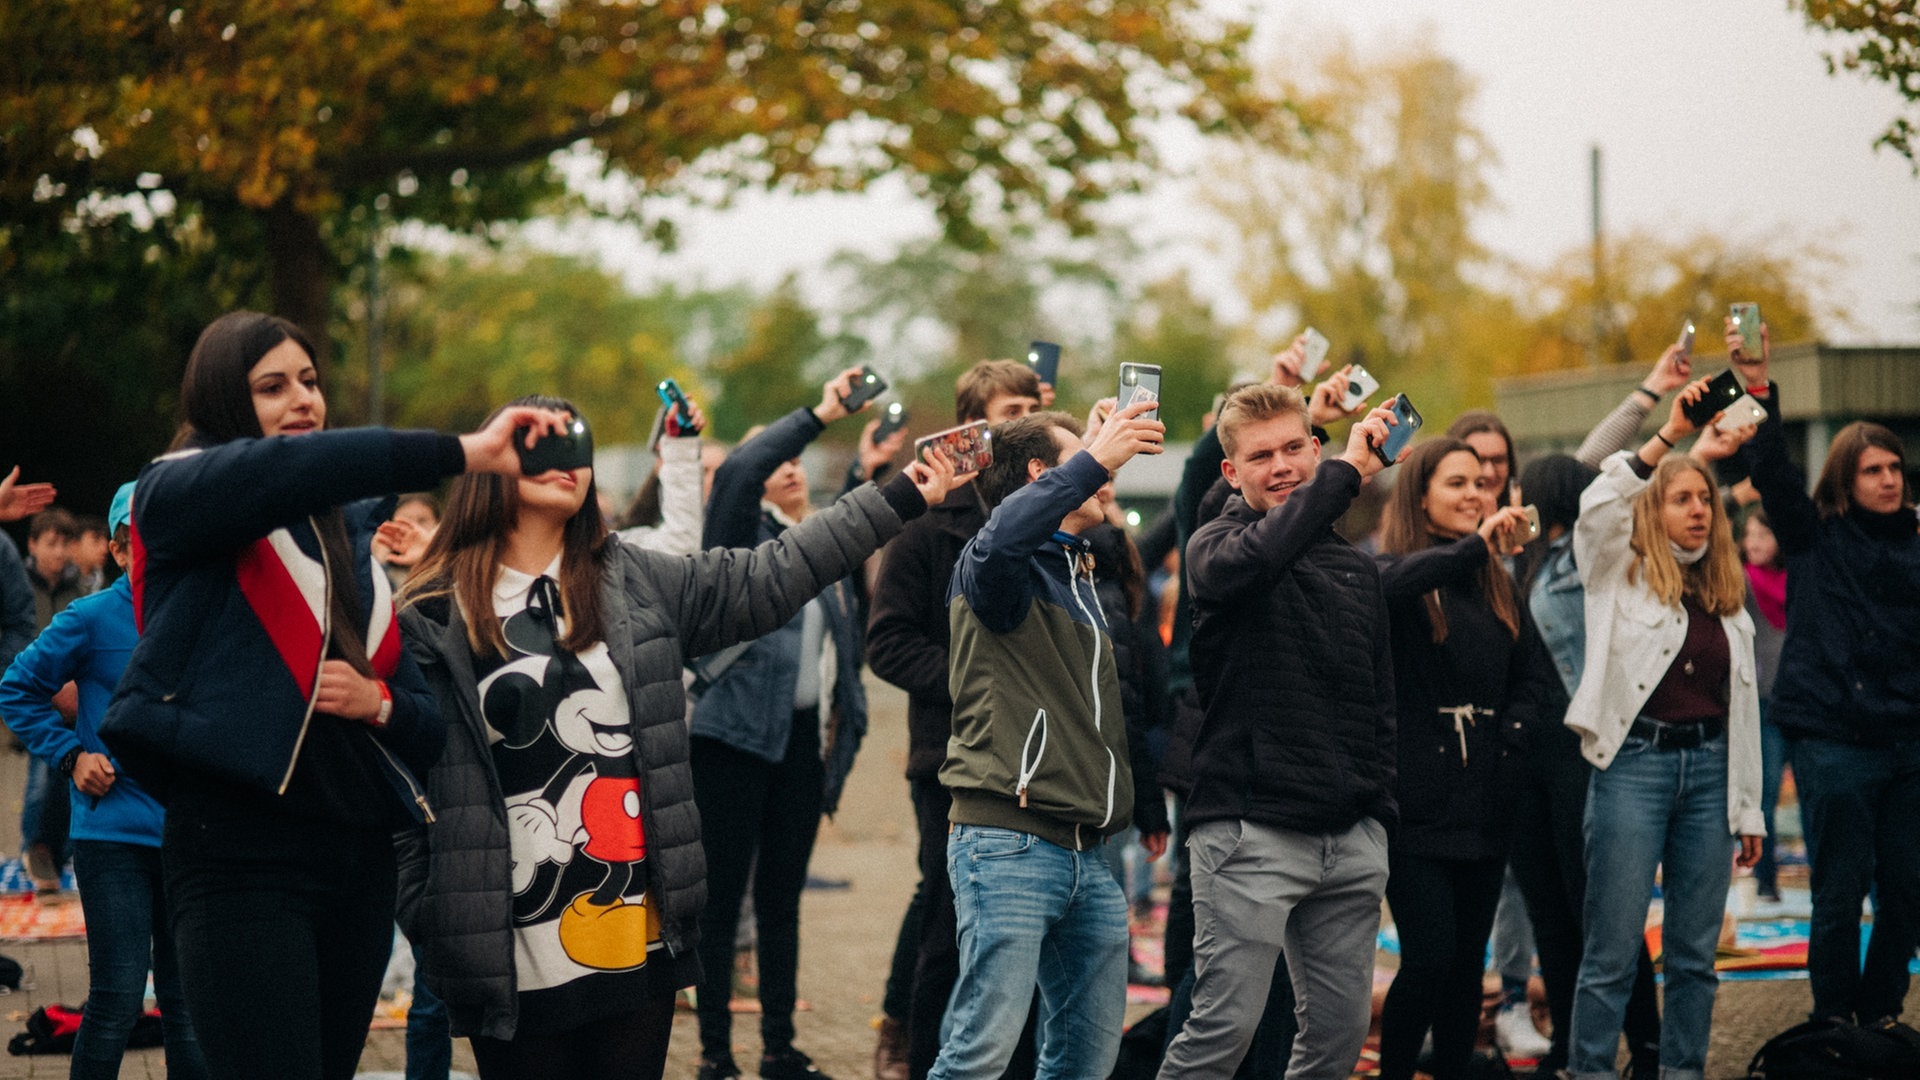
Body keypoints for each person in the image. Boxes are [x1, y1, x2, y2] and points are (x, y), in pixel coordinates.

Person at [392, 393, 954, 1079]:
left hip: (636, 939)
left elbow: (773, 574)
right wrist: (431, 911)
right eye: (539, 443)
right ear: (489, 459)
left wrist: (898, 495)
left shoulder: (633, 579)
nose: (566, 461)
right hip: (510, 956)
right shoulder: (429, 613)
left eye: (579, 445)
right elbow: (398, 780)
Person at [97, 310, 579, 1080]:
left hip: (359, 857)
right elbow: (281, 473)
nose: (303, 400)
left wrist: (376, 703)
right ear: (224, 398)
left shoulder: (347, 543)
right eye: (272, 386)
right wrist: (463, 451)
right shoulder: (178, 495)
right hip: (239, 859)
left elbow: (424, 727)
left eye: (312, 383)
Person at [1160, 384, 1402, 1080]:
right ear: (1231, 473)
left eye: (1295, 447)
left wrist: (1377, 818)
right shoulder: (1216, 547)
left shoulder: (1357, 569)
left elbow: (1379, 702)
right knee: (1221, 1033)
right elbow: (1267, 555)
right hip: (1249, 833)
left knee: (1337, 1038)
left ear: (1315, 447)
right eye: (1260, 456)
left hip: (1349, 836)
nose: (1282, 465)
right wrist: (1345, 476)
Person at [925, 402, 1167, 1080]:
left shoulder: (1085, 572)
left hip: (1092, 855)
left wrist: (1142, 805)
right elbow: (1005, 537)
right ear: (1040, 475)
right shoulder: (997, 566)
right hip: (1010, 842)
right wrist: (1092, 459)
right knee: (978, 1055)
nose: (1108, 473)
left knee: (1085, 1062)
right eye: (1087, 460)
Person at [689, 369, 906, 1080]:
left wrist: (866, 468)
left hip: (799, 752)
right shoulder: (734, 543)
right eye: (774, 460)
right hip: (728, 744)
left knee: (782, 907)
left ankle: (779, 1049)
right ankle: (717, 1056)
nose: (785, 468)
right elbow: (744, 469)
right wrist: (819, 411)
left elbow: (846, 525)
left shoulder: (820, 544)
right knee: (721, 908)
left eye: (793, 460)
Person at [1562, 379, 1764, 1080]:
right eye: (1682, 499)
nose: (1698, 511)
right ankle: (1587, 1070)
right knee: (1612, 951)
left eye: (1704, 499)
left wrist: (1749, 808)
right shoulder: (1614, 573)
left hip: (1710, 777)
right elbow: (1597, 506)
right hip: (1634, 771)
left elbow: (1743, 718)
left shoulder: (1727, 602)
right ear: (1654, 508)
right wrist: (1667, 435)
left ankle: (1683, 1072)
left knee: (1693, 957)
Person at [1728, 320, 1920, 1028]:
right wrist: (1756, 381)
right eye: (1873, 469)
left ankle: (1880, 1016)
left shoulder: (1915, 544)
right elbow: (1771, 464)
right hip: (1835, 740)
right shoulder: (1813, 535)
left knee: (1906, 891)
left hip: (1906, 743)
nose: (1889, 478)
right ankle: (1834, 1022)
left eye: (1896, 467)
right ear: (1846, 476)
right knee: (1839, 894)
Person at [863, 358, 1043, 1080]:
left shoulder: (1048, 516)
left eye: (1031, 406)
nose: (1020, 419)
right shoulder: (925, 530)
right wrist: (974, 687)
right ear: (974, 423)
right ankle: (920, 1050)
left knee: (1020, 932)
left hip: (1035, 765)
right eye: (1007, 409)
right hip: (950, 757)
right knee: (948, 923)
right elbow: (887, 642)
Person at [0, 481, 210, 1080]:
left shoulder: (202, 615)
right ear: (118, 552)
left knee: (185, 1006)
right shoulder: (90, 618)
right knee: (117, 998)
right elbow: (16, 688)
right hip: (111, 833)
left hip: (188, 839)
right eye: (141, 543)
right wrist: (71, 757)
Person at [1372, 439, 1557, 1080]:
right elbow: (1395, 584)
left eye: (1481, 484)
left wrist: (1510, 738)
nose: (1475, 495)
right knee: (1428, 956)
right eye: (1457, 484)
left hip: (1486, 797)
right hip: (1415, 804)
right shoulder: (1395, 574)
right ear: (1419, 494)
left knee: (1466, 963)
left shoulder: (1496, 583)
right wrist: (1474, 547)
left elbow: (1534, 678)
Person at [20, 506, 85, 899]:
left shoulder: (80, 590)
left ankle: (60, 854)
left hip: (71, 700)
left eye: (65, 544)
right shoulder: (16, 582)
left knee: (65, 780)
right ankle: (36, 850)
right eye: (50, 543)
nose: (59, 552)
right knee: (39, 781)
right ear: (32, 545)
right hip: (29, 696)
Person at [1738, 507, 1788, 904]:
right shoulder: (1741, 581)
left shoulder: (1799, 581)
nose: (1753, 542)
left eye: (1763, 534)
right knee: (1765, 795)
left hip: (1804, 703)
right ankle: (1766, 880)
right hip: (1763, 704)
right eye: (1749, 535)